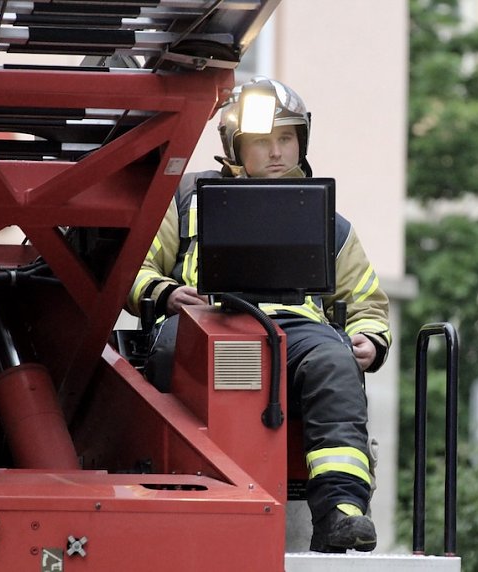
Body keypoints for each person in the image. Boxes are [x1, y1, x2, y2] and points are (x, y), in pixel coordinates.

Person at [127, 77, 392, 553]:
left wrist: (369, 340)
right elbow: (132, 268)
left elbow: (366, 301)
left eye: (286, 138)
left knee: (334, 362)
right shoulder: (185, 199)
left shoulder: (329, 222)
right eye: (262, 141)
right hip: (204, 325)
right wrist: (165, 293)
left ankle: (341, 511)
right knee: (189, 357)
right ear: (234, 146)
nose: (276, 152)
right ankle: (185, 501)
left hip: (299, 337)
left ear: (302, 141)